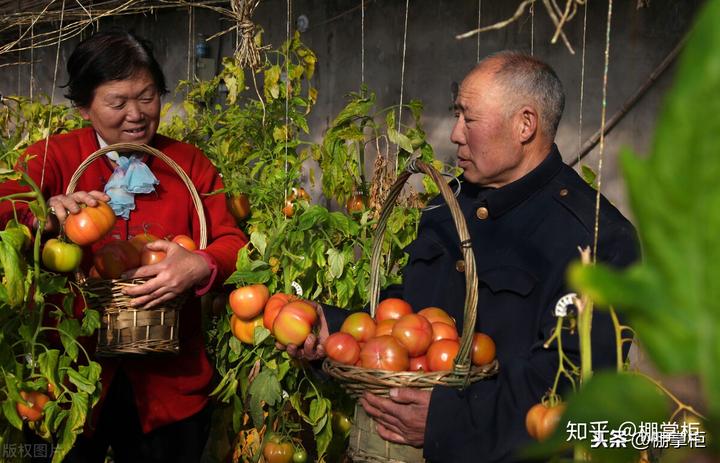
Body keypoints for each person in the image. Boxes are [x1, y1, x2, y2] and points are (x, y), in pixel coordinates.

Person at [287, 51, 640, 462]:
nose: (455, 134)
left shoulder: (596, 239)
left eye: (468, 119)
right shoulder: (446, 209)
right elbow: (410, 316)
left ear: (525, 125)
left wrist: (448, 420)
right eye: (457, 116)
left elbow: (573, 385)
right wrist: (335, 330)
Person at [0, 30, 247, 462]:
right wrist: (42, 214)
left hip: (171, 386)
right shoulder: (53, 158)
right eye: (117, 102)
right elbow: (5, 210)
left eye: (148, 96)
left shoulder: (189, 164)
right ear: (83, 107)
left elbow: (232, 243)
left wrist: (201, 265)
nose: (136, 115)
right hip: (67, 380)